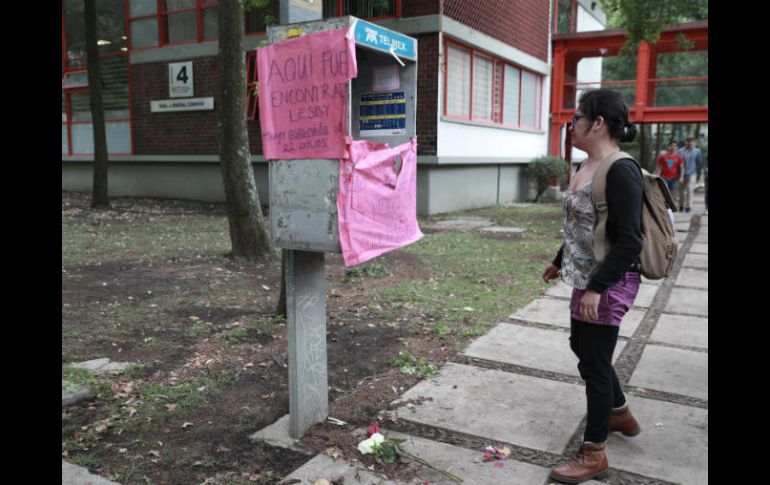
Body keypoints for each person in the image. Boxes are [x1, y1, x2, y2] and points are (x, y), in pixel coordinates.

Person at [543, 89, 644, 484]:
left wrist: (597, 288)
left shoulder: (621, 170)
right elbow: (581, 225)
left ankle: (594, 452)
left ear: (598, 123)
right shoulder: (585, 165)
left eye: (576, 119)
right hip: (585, 278)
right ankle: (619, 412)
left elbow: (630, 240)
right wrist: (559, 260)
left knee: (596, 364)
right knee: (581, 348)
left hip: (610, 281)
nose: (571, 126)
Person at [677, 137, 703, 213]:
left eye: (691, 142)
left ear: (693, 143)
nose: (689, 143)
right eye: (688, 142)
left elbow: (699, 163)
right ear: (685, 142)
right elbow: (677, 163)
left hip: (692, 173)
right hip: (682, 174)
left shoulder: (697, 151)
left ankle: (688, 206)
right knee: (681, 191)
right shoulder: (680, 151)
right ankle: (681, 205)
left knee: (689, 189)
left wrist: (698, 174)